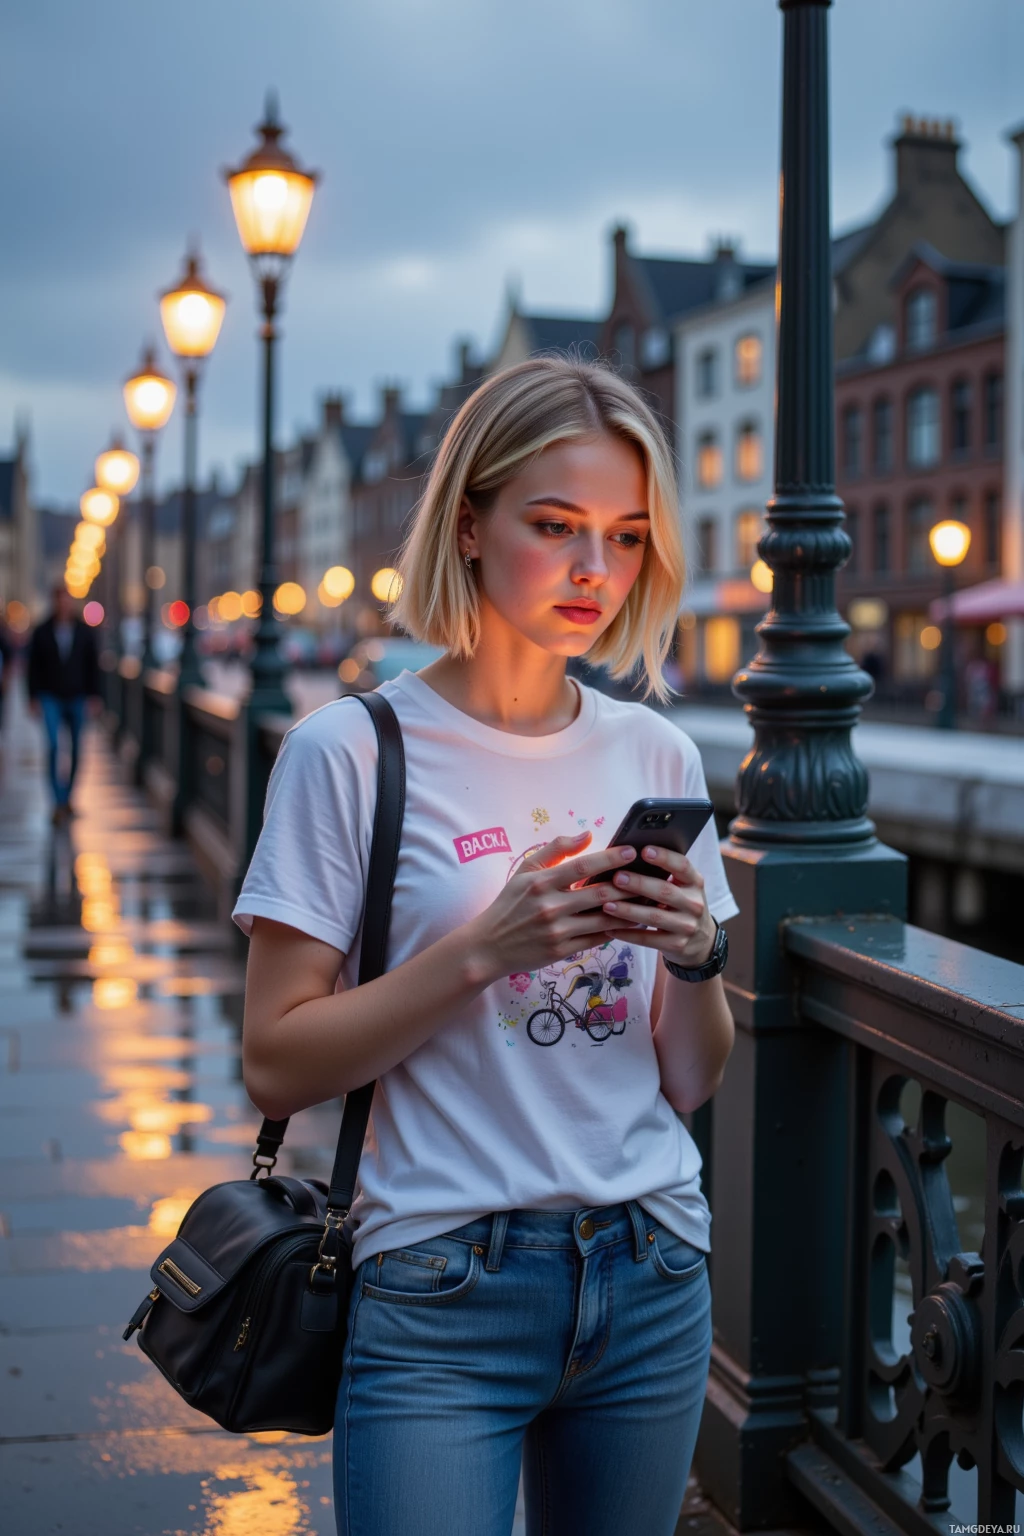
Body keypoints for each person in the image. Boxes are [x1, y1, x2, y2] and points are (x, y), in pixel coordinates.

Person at [234, 357, 738, 1536]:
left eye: (623, 537)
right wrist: (485, 949)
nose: (591, 572)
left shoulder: (654, 756)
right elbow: (276, 1063)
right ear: (468, 524)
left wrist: (698, 958)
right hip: (440, 1281)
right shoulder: (349, 752)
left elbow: (691, 1076)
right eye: (554, 526)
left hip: (652, 1268)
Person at [27, 586, 101, 822]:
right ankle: (57, 801)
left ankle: (68, 797)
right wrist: (33, 697)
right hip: (50, 696)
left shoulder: (84, 632)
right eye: (60, 600)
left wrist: (95, 696)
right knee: (52, 746)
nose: (64, 605)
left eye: (67, 600)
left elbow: (93, 666)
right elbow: (33, 667)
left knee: (77, 749)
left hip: (77, 696)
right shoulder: (42, 631)